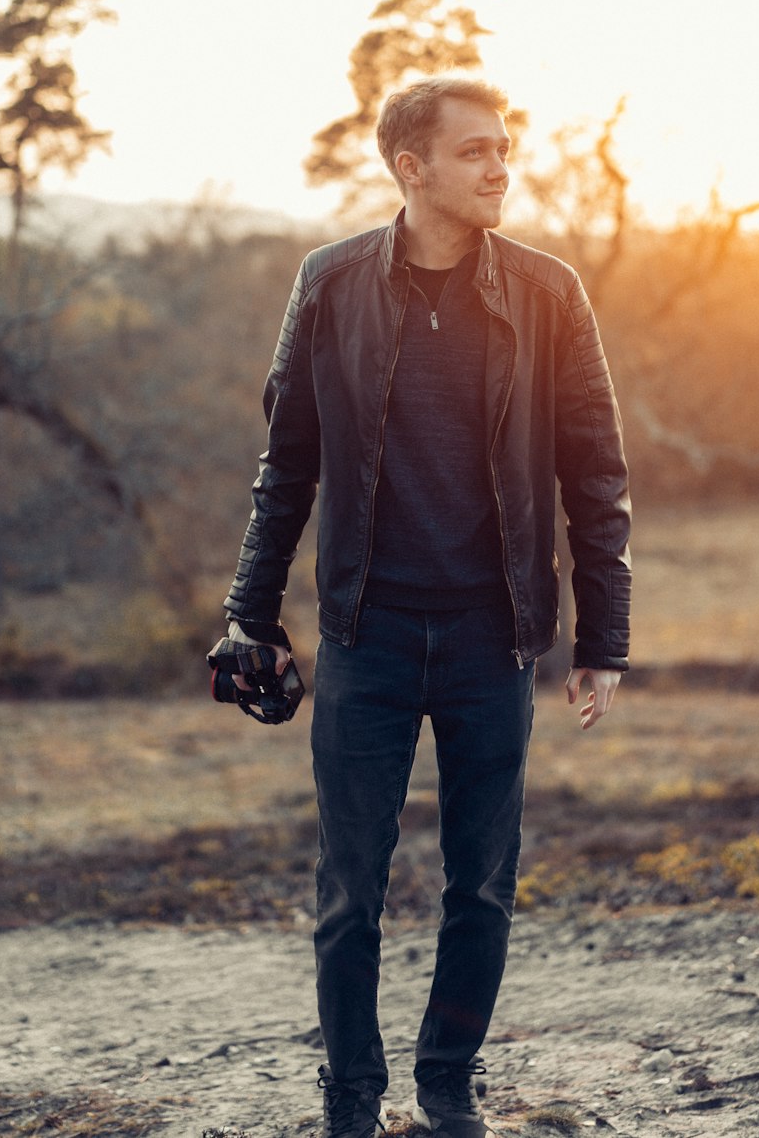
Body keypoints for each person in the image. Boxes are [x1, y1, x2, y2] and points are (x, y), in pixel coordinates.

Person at [223, 75, 632, 1138]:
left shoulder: (548, 293)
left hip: (493, 640)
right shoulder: (330, 283)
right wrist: (248, 616)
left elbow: (595, 473)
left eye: (505, 148)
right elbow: (288, 468)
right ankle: (351, 1103)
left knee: (480, 887)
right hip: (365, 635)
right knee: (349, 889)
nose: (502, 167)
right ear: (412, 169)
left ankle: (446, 1086)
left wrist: (604, 637)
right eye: (477, 152)